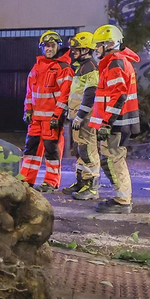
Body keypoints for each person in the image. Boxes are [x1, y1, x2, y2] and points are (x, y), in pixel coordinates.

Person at [88, 24, 139, 213]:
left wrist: (106, 123)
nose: (96, 49)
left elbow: (118, 95)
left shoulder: (115, 63)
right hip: (118, 120)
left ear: (109, 44)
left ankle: (122, 200)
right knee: (112, 159)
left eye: (98, 45)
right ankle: (121, 197)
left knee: (113, 159)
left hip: (116, 122)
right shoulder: (114, 62)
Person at [20, 30, 72, 192]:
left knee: (52, 151)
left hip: (52, 119)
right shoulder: (37, 67)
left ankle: (51, 182)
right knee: (31, 150)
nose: (49, 49)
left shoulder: (63, 68)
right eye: (46, 46)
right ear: (42, 47)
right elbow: (30, 92)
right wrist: (28, 110)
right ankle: (26, 180)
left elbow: (65, 95)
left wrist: (57, 115)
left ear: (58, 47)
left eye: (52, 45)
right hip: (36, 119)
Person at [63, 30, 100, 199]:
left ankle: (91, 187)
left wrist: (80, 115)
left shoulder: (90, 68)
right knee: (80, 150)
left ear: (86, 49)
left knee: (88, 150)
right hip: (78, 117)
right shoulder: (82, 67)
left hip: (85, 118)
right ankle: (81, 182)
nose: (73, 52)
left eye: (76, 49)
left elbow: (90, 94)